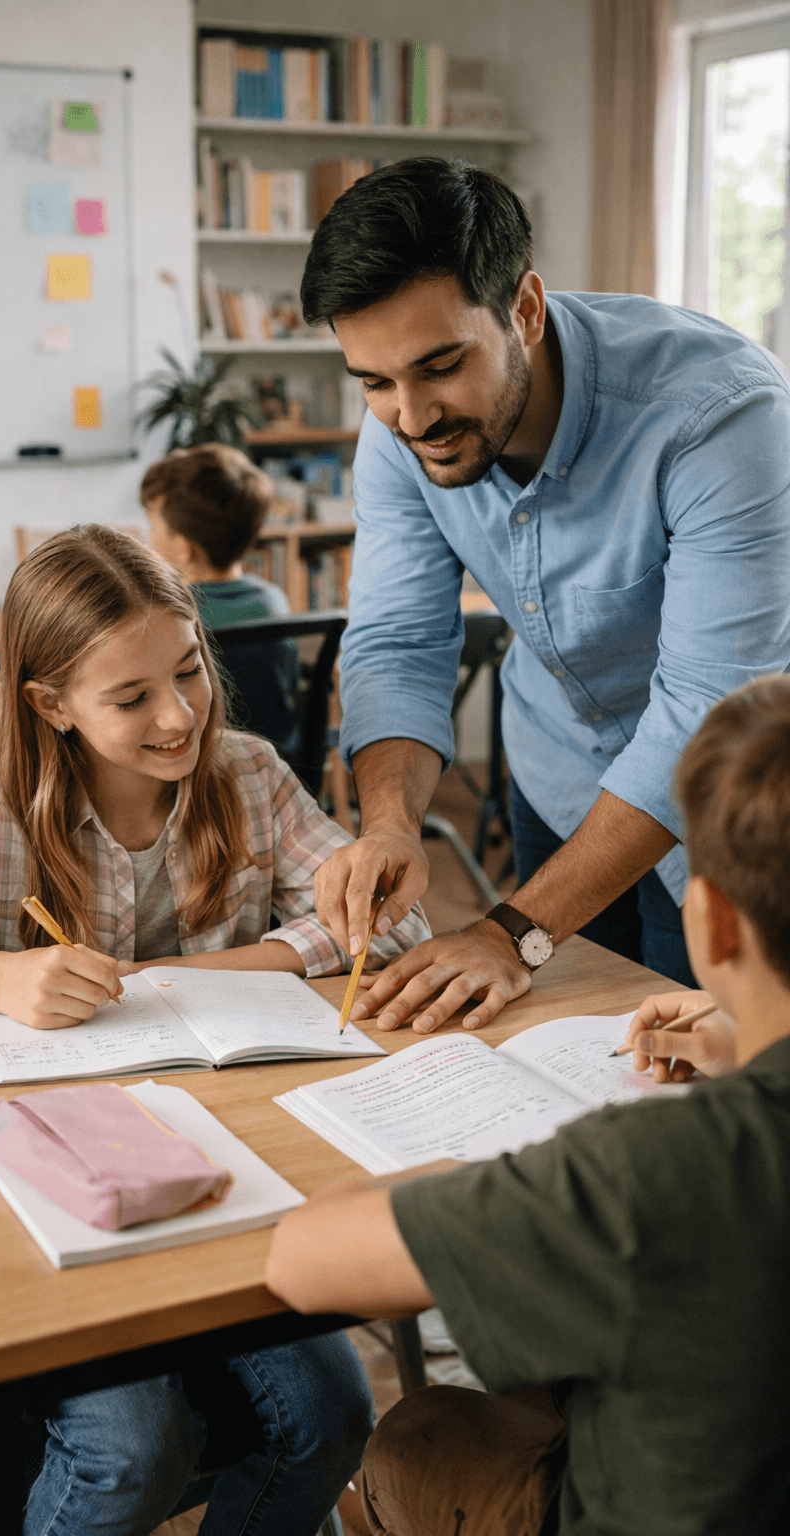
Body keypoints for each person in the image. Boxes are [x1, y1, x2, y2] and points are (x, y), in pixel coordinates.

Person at [0, 525, 431, 1535]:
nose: (179, 716)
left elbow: (395, 916)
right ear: (50, 705)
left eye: (191, 672)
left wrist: (212, 970)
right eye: (131, 699)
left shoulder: (246, 774)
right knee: (131, 1449)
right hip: (38, 1192)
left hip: (226, 1177)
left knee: (335, 1415)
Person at [266, 673, 790, 1536]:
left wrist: (466, 1174)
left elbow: (302, 1258)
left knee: (416, 1435)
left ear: (712, 924)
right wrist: (746, 1034)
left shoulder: (653, 1169)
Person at [297, 157, 790, 1036]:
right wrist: (391, 825)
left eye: (439, 366)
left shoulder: (721, 417)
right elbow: (399, 640)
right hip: (558, 773)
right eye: (373, 381)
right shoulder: (404, 430)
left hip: (732, 810)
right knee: (556, 1054)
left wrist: (512, 930)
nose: (409, 417)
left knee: (695, 1080)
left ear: (524, 308)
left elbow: (702, 712)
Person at [141, 444, 301, 759]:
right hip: (278, 759)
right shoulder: (273, 600)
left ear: (184, 548)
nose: (148, 537)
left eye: (154, 527)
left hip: (208, 768)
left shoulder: (172, 616)